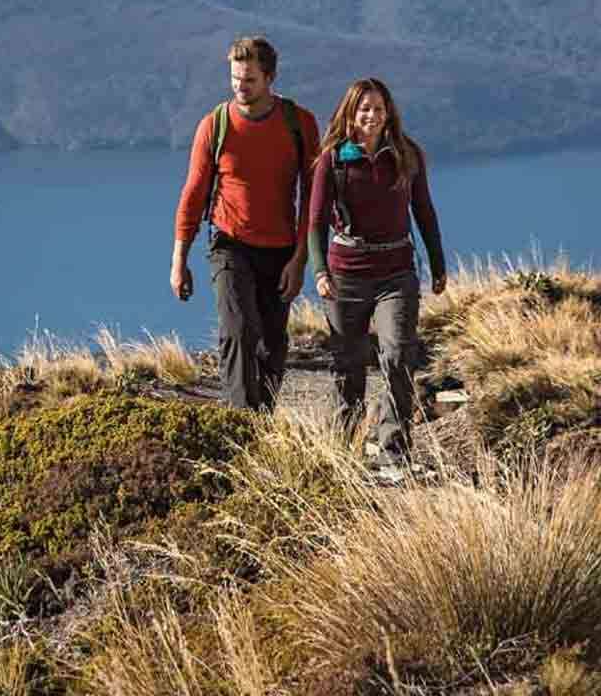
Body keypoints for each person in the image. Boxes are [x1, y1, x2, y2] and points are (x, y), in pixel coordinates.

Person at [171, 34, 322, 412]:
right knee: (238, 332)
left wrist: (300, 259)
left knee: (271, 344)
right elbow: (192, 193)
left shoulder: (299, 124)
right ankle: (242, 425)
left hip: (281, 248)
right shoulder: (215, 125)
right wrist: (179, 261)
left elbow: (314, 200)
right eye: (235, 78)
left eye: (249, 79)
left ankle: (262, 419)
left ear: (270, 78)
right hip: (229, 243)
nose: (240, 86)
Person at [304, 77, 448, 466]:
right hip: (345, 275)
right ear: (351, 113)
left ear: (389, 114)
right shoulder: (333, 160)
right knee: (348, 366)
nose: (371, 115)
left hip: (396, 272)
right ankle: (340, 451)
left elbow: (425, 213)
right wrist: (319, 272)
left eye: (378, 109)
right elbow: (315, 221)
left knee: (399, 355)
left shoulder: (406, 155)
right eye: (364, 108)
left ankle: (393, 450)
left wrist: (438, 264)